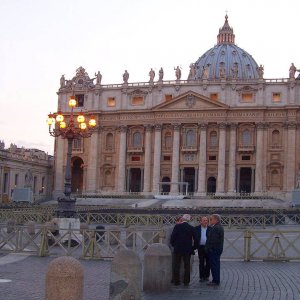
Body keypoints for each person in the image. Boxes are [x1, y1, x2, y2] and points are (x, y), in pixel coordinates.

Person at [170, 214, 198, 286]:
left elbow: (172, 238)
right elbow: (196, 239)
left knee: (177, 265)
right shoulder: (191, 228)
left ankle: (177, 281)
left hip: (178, 249)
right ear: (189, 220)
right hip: (187, 249)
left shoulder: (177, 226)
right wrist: (193, 247)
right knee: (187, 265)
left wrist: (174, 245)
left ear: (182, 219)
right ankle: (186, 281)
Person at [205, 214, 224, 286]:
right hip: (217, 249)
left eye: (211, 219)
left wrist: (209, 248)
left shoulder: (216, 228)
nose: (210, 220)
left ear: (216, 219)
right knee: (216, 265)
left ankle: (215, 281)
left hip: (214, 250)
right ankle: (216, 279)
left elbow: (213, 240)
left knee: (214, 265)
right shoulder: (219, 227)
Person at [194, 216, 211, 282]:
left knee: (208, 262)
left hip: (208, 247)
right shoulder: (196, 228)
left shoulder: (210, 229)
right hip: (200, 247)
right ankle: (201, 277)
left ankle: (207, 276)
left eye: (206, 220)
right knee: (201, 262)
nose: (205, 222)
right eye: (204, 220)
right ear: (200, 221)